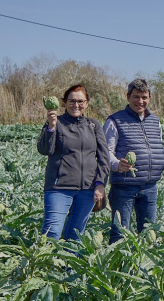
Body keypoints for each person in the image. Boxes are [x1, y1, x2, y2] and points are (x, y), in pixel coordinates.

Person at [37, 84, 109, 240]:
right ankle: (45, 264)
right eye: (72, 101)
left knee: (75, 235)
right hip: (59, 187)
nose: (76, 105)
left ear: (87, 103)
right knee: (52, 232)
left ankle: (69, 265)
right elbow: (44, 150)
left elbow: (104, 157)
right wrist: (51, 127)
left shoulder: (93, 125)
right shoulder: (57, 123)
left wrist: (100, 183)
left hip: (87, 189)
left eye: (80, 101)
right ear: (64, 103)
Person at [102, 78, 164, 243]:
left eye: (144, 97)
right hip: (124, 187)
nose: (140, 101)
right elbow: (105, 152)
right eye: (136, 97)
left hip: (150, 186)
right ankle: (118, 266)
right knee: (119, 232)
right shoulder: (114, 121)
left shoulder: (155, 121)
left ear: (149, 98)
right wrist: (117, 164)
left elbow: (157, 145)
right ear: (128, 97)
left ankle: (143, 266)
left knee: (148, 232)